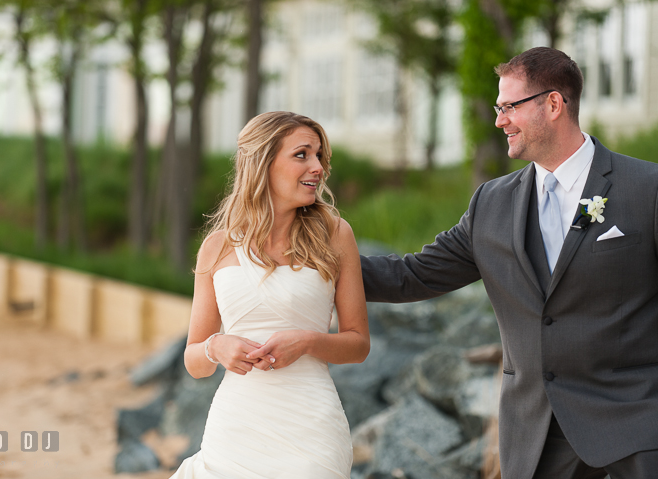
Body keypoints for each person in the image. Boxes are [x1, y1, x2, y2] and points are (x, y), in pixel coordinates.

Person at [360, 47, 658, 479]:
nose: (499, 120)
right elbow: (413, 276)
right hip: (534, 437)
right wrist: (312, 259)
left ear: (553, 104)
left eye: (509, 107)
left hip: (637, 430)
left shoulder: (646, 188)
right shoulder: (491, 203)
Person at [170, 111, 370, 479]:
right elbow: (194, 361)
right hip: (235, 429)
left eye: (319, 156)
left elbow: (358, 344)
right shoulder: (217, 247)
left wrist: (308, 342)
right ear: (263, 162)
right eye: (302, 155)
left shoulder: (336, 235)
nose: (318, 168)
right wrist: (217, 347)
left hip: (311, 429)